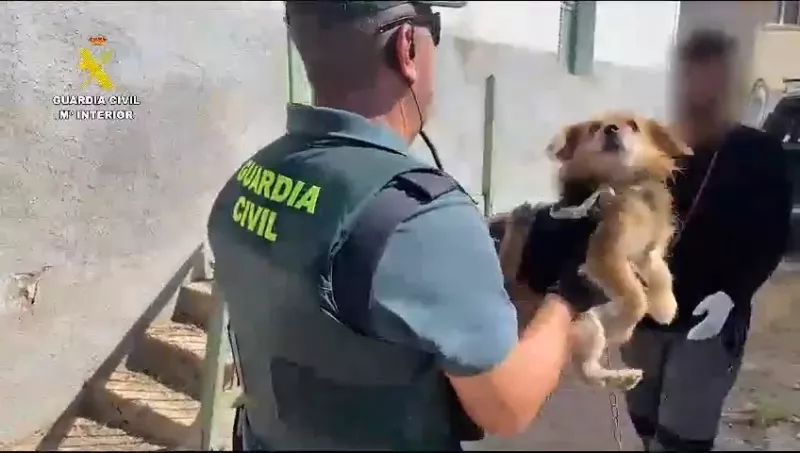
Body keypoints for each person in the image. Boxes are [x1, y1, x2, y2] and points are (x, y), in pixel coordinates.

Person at [206, 1, 607, 450]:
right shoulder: (420, 215)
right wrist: (571, 295)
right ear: (405, 49)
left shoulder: (249, 179)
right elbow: (507, 407)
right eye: (432, 28)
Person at [621, 29, 793, 451]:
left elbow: (770, 238)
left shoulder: (759, 152)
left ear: (728, 84)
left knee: (681, 439)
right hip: (645, 317)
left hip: (707, 322)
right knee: (639, 426)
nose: (700, 90)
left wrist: (733, 294)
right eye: (692, 77)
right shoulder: (654, 148)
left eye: (711, 78)